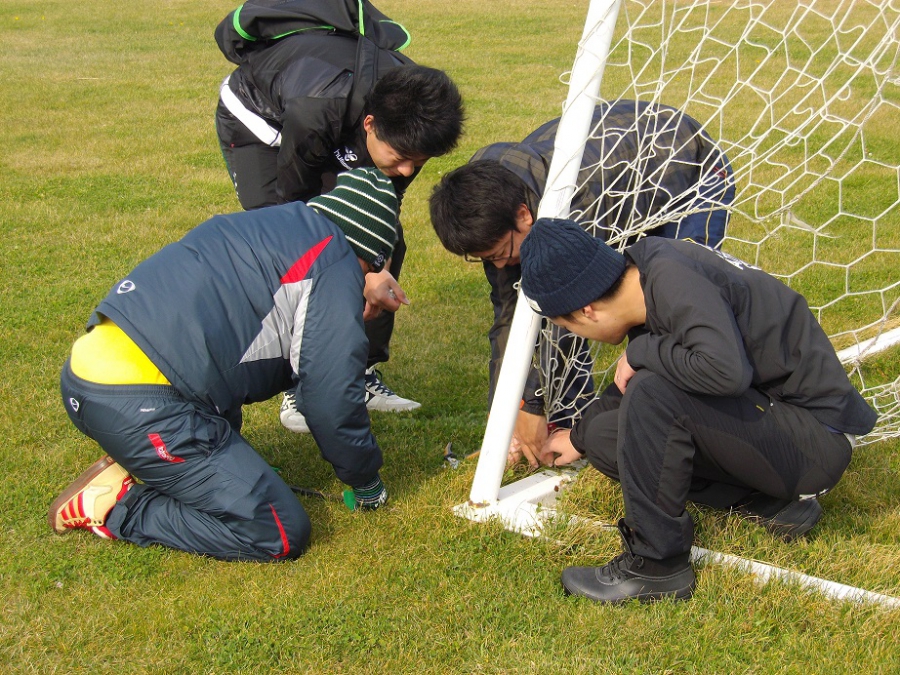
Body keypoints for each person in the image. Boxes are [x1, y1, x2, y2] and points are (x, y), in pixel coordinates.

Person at [50, 168, 402, 562]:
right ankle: (119, 505)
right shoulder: (335, 265)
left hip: (89, 374)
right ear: (371, 256)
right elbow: (329, 398)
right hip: (140, 404)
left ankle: (153, 462)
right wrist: (364, 478)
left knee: (222, 409)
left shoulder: (273, 223)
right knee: (279, 531)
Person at [517, 218, 877, 604]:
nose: (576, 336)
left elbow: (725, 373)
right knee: (607, 437)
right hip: (773, 424)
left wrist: (640, 352)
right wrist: (577, 437)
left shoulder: (673, 281)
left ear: (587, 310)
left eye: (567, 326)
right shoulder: (644, 276)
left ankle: (656, 565)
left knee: (653, 390)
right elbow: (640, 386)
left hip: (814, 444)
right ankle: (769, 505)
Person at [429, 100, 734, 468]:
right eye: (486, 258)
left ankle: (669, 426)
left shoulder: (573, 204)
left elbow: (569, 317)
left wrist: (534, 407)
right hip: (628, 162)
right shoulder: (488, 208)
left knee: (666, 302)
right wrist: (508, 411)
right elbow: (510, 314)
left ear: (524, 216)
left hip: (689, 169)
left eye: (500, 253)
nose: (498, 265)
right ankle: (568, 427)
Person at [215, 0, 465, 426]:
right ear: (369, 124)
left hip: (334, 115)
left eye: (417, 163)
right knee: (299, 252)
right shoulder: (318, 108)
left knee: (386, 239)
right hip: (259, 120)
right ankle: (302, 386)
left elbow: (381, 209)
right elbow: (297, 210)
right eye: (402, 159)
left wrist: (374, 265)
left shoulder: (407, 126)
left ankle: (360, 372)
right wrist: (348, 267)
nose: (407, 171)